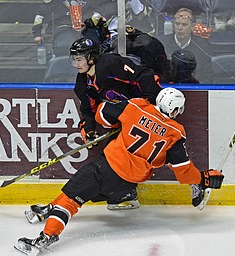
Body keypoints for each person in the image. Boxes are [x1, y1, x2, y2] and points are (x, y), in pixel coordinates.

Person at [15, 87, 224, 255]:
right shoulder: (176, 133)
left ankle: (46, 237)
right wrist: (204, 178)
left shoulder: (137, 106)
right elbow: (183, 172)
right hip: (125, 183)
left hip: (105, 168)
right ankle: (117, 197)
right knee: (79, 192)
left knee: (71, 200)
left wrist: (120, 117)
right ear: (176, 110)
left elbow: (102, 115)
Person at [24, 37, 163, 222]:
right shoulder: (83, 83)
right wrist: (88, 130)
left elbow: (144, 76)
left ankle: (120, 193)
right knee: (111, 158)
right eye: (73, 59)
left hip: (144, 116)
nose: (75, 64)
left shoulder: (110, 64)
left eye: (79, 59)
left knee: (113, 160)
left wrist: (149, 105)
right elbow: (88, 110)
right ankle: (123, 194)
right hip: (124, 119)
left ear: (91, 58)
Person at [157, 8, 213, 83]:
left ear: (193, 27)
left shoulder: (202, 46)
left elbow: (207, 77)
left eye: (184, 25)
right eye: (177, 24)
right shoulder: (162, 43)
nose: (180, 28)